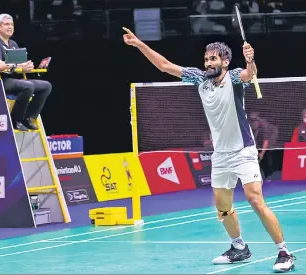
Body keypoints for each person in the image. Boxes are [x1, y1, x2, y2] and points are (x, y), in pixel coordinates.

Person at [123, 27, 295, 272]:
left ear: (225, 61)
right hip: (221, 155)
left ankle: (283, 252)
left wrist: (250, 60)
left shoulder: (233, 77)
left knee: (254, 199)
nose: (208, 63)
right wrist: (140, 44)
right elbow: (164, 65)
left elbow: (249, 74)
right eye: (206, 59)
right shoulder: (198, 79)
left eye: (213, 58)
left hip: (243, 150)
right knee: (223, 207)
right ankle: (239, 248)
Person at [0, 13, 52, 131]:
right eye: (6, 24)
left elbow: (20, 66)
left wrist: (28, 66)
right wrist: (17, 66)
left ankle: (29, 117)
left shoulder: (13, 44)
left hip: (14, 79)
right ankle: (16, 119)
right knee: (28, 86)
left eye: (12, 24)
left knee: (46, 86)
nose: (10, 27)